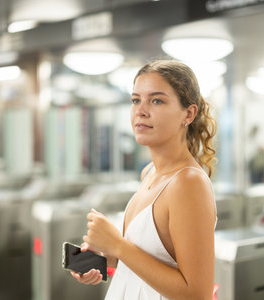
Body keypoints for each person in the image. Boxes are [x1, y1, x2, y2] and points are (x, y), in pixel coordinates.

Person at [71, 59, 218, 300]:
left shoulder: (188, 183)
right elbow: (151, 260)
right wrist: (103, 257)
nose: (141, 110)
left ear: (188, 114)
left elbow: (197, 293)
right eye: (136, 100)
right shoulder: (150, 172)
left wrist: (118, 245)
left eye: (157, 100)